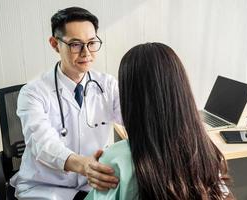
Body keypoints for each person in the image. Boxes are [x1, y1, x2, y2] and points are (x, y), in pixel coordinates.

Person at [85, 43, 234, 200]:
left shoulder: (115, 159)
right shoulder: (204, 149)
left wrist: (102, 160)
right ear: (181, 90)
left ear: (129, 96)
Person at [10, 7, 121, 200]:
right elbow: (43, 144)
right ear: (55, 44)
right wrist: (83, 165)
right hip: (45, 187)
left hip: (92, 184)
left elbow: (135, 119)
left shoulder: (108, 85)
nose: (86, 53)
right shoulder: (32, 93)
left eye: (92, 43)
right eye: (76, 44)